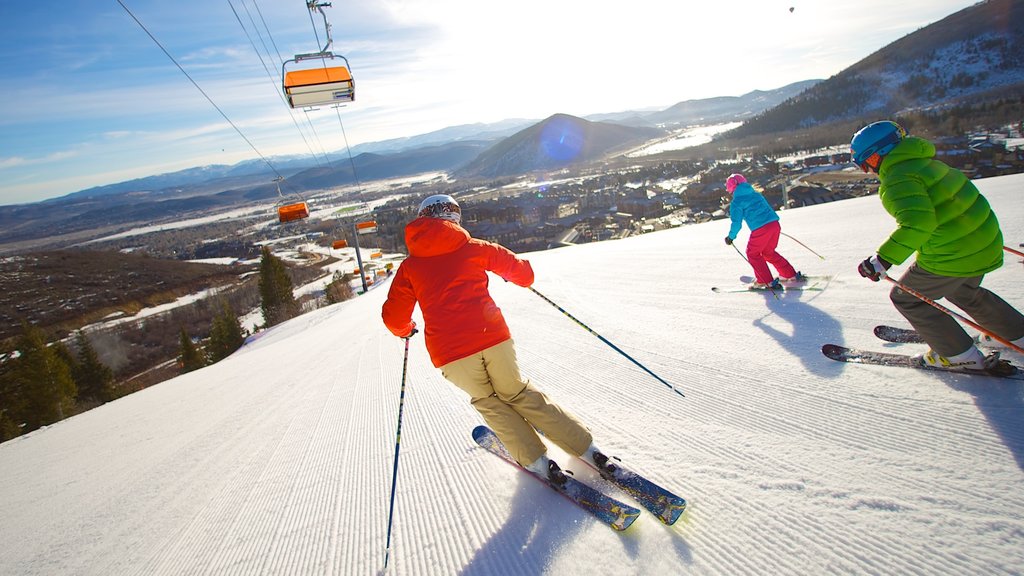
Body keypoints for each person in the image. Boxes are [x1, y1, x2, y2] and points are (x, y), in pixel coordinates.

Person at [382, 194, 612, 484]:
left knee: (489, 401)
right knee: (516, 391)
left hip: (450, 352)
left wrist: (406, 329)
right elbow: (524, 274)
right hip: (492, 337)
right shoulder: (473, 248)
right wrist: (508, 275)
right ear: (454, 218)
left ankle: (538, 463)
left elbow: (394, 317)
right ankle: (589, 450)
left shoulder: (409, 268)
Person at [851, 120, 1024, 371]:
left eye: (863, 164)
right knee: (964, 290)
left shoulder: (898, 178)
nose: (867, 171)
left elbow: (918, 223)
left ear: (876, 155)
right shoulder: (928, 163)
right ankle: (1015, 333)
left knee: (907, 298)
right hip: (985, 241)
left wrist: (883, 259)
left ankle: (958, 356)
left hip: (955, 251)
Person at [723, 173, 802, 290]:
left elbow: (736, 223)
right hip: (774, 225)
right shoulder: (756, 195)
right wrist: (770, 225)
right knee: (768, 252)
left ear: (731, 188)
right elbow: (768, 209)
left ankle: (764, 281)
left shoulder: (737, 202)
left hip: (760, 229)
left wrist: (731, 237)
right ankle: (789, 274)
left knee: (753, 254)